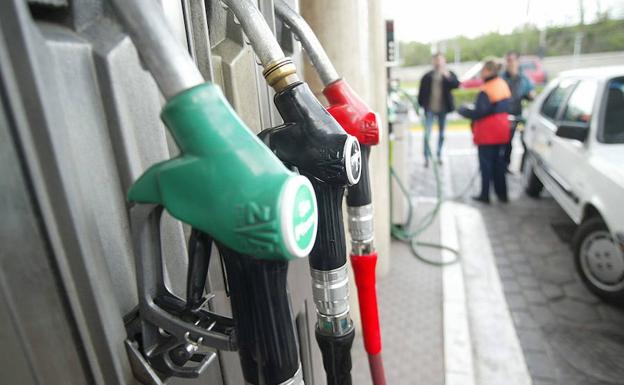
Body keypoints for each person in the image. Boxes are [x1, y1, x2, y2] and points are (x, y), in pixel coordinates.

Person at [458, 58, 512, 204]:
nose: (481, 73)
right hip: (502, 131)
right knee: (499, 164)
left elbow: (480, 112)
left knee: (486, 165)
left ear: (489, 71)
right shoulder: (502, 84)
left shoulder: (486, 89)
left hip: (488, 133)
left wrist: (463, 111)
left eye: (483, 70)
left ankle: (485, 195)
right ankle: (503, 195)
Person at [417, 53, 460, 167]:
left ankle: (439, 155)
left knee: (441, 134)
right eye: (436, 60)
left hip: (443, 110)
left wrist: (447, 76)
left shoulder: (448, 74)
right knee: (427, 134)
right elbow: (421, 93)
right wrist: (421, 106)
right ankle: (426, 157)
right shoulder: (427, 76)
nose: (438, 62)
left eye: (440, 60)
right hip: (430, 109)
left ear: (444, 61)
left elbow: (456, 84)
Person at [501, 51, 536, 171]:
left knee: (524, 139)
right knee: (507, 142)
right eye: (508, 60)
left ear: (517, 61)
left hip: (519, 117)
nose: (510, 63)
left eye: (512, 60)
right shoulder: (502, 77)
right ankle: (505, 165)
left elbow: (531, 94)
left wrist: (532, 95)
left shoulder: (524, 78)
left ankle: (523, 168)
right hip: (505, 117)